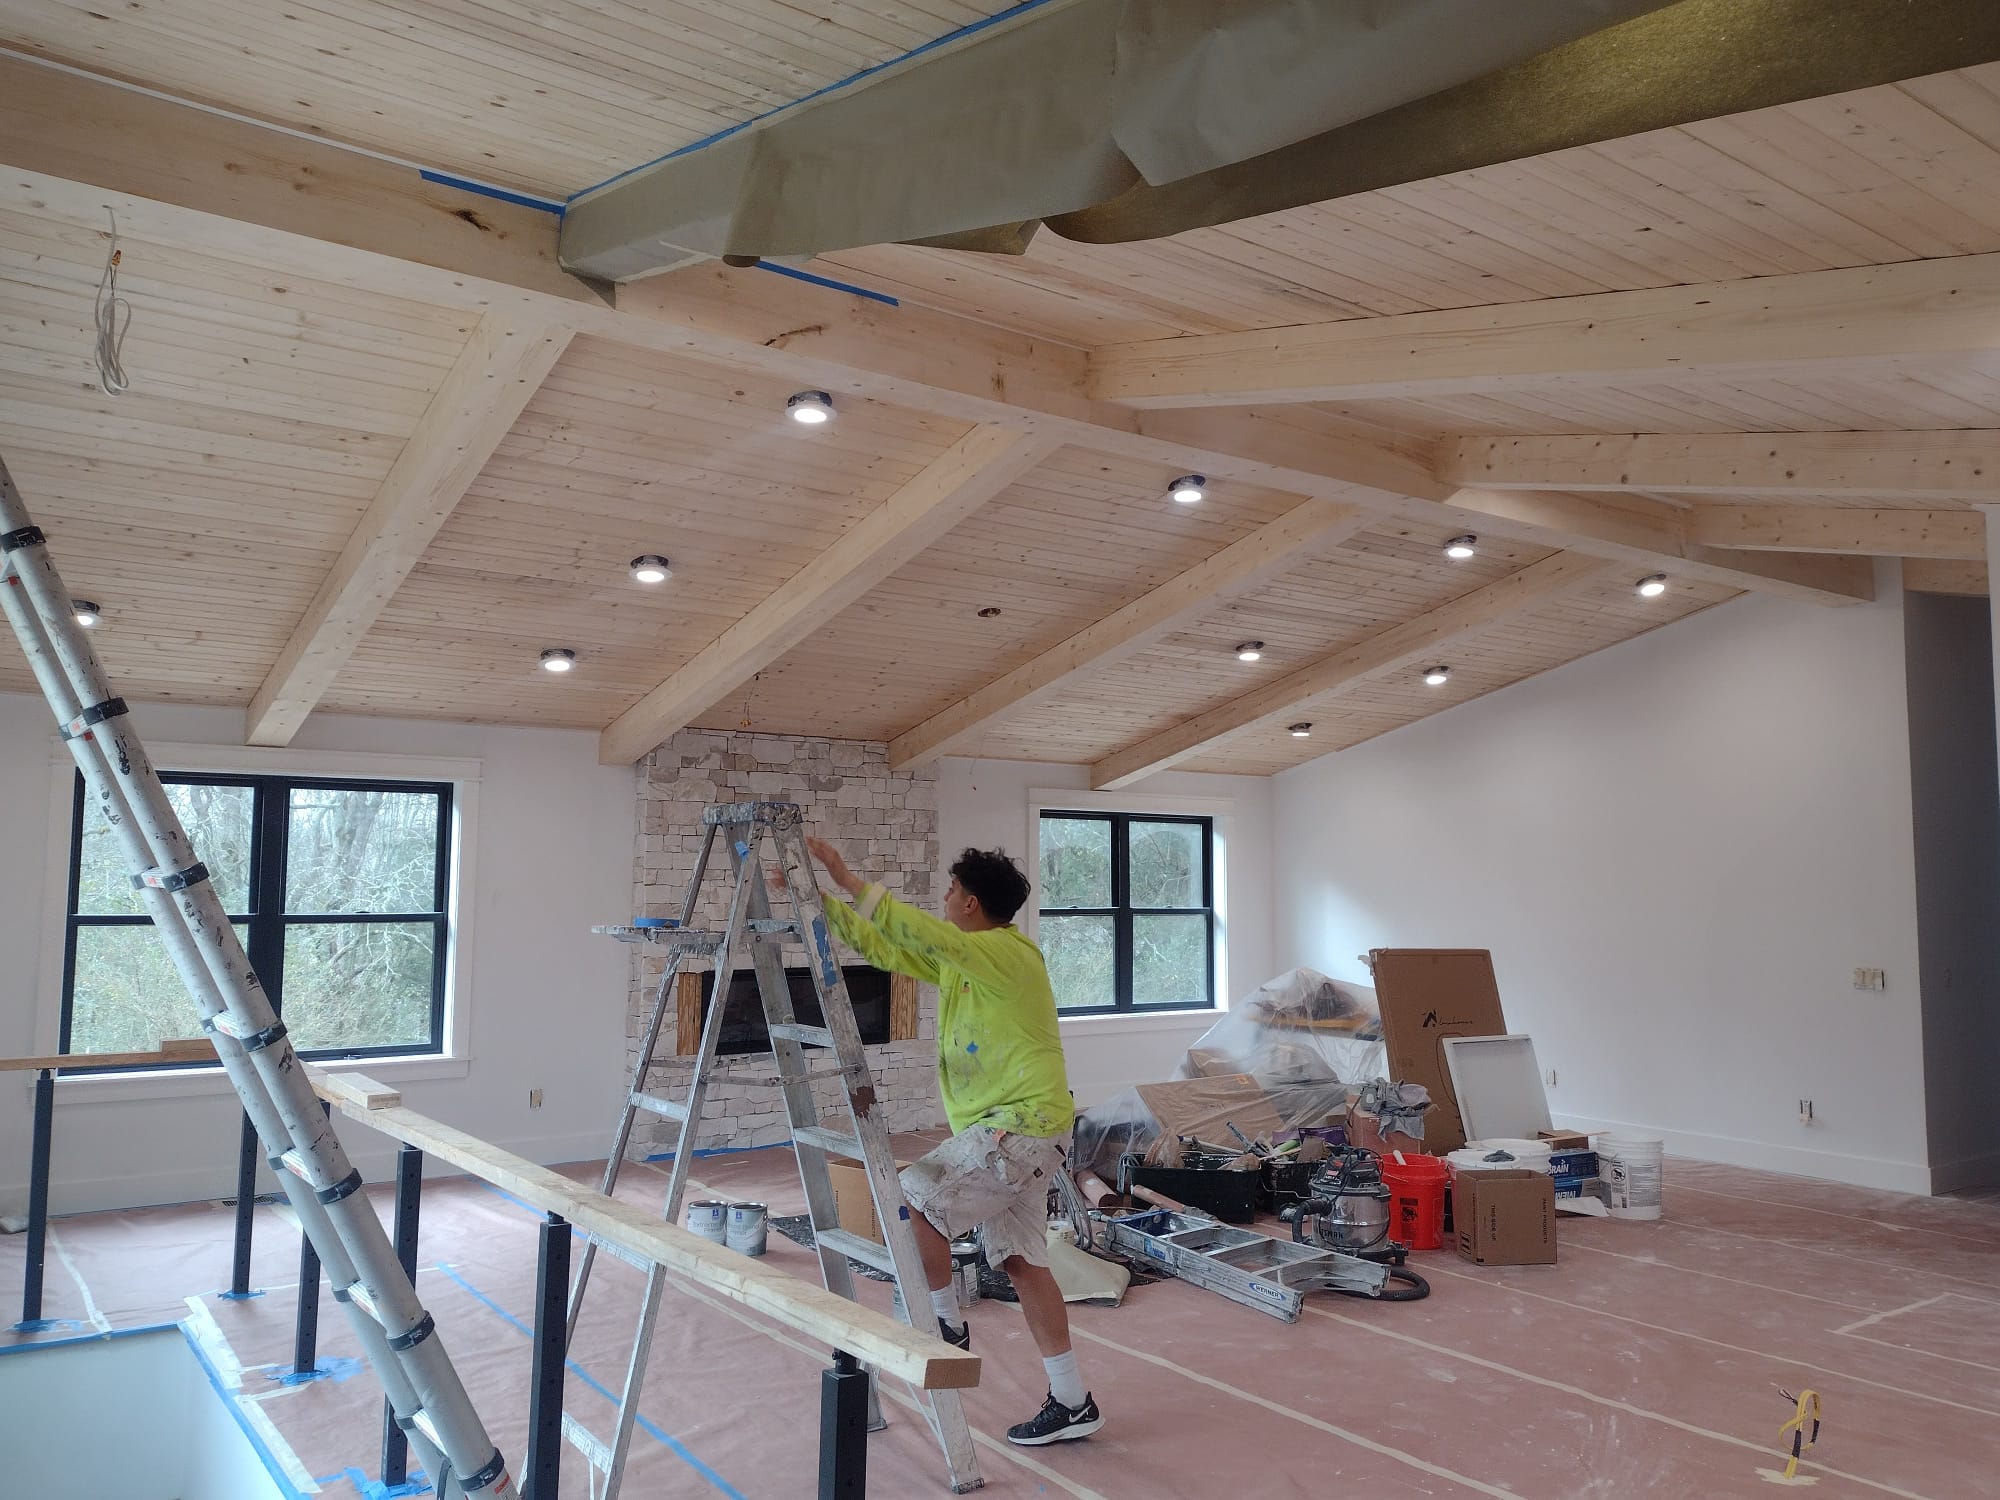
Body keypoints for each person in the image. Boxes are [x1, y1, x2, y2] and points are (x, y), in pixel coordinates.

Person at [807, 835, 1104, 1447]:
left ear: (970, 904)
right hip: (1019, 1129)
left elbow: (920, 932)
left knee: (913, 1199)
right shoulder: (967, 959)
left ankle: (944, 1329)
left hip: (1016, 1129)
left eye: (951, 890)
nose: (945, 897)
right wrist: (818, 904)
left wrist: (844, 876)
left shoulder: (1006, 953)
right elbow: (886, 947)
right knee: (1022, 1263)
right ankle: (1074, 1402)